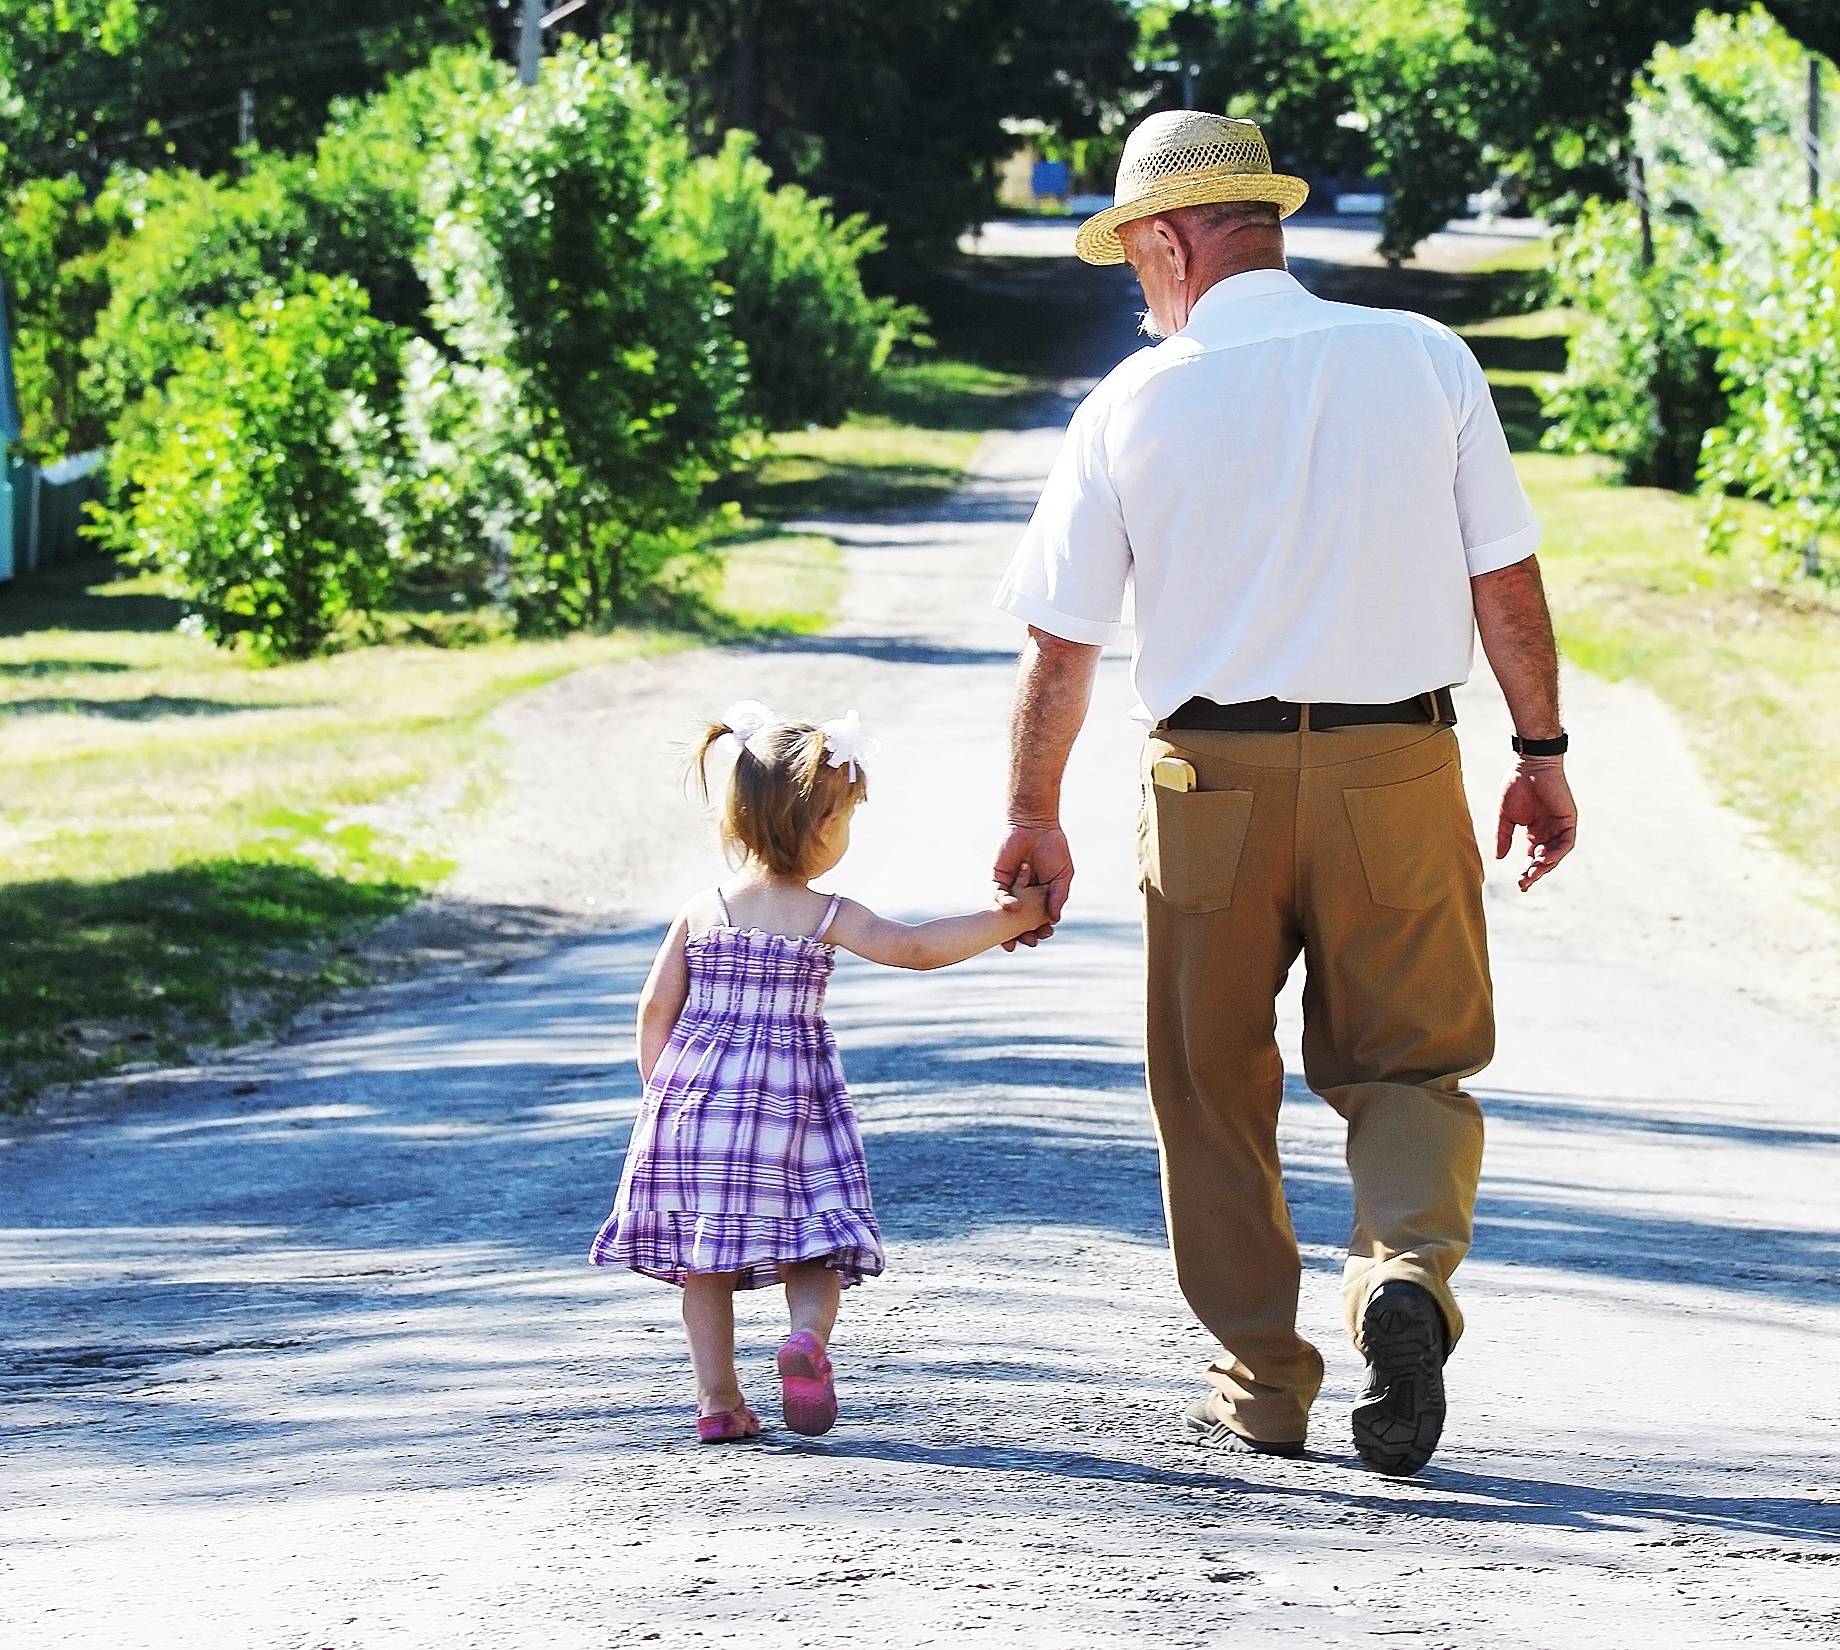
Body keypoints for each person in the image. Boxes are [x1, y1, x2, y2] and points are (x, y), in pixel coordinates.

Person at [990, 111, 1579, 1476]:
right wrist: (1538, 753)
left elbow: (1059, 645)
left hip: (1207, 784)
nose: (1136, 286)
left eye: (1133, 259)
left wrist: (1032, 812)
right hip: (1397, 763)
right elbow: (1506, 579)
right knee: (1410, 1064)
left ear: (1166, 240)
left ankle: (1263, 1379)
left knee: (1207, 1085)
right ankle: (1400, 1281)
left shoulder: (1129, 403)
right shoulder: (1422, 358)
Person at [592, 700, 1042, 1443]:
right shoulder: (825, 913)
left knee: (705, 1264)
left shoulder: (700, 910)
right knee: (811, 1238)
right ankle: (805, 1337)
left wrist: (660, 1102)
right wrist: (1012, 919)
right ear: (825, 828)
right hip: (787, 1108)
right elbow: (917, 947)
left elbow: (653, 1009)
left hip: (691, 1108)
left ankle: (718, 1402)